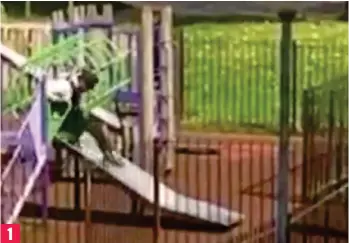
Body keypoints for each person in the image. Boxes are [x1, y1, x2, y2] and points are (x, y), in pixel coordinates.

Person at [46, 68, 124, 166]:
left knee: (98, 125)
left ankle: (109, 152)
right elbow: (43, 90)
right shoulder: (65, 86)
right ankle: (109, 153)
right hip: (59, 129)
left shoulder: (73, 89)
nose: (86, 91)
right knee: (96, 125)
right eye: (87, 87)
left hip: (65, 125)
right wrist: (55, 100)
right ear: (82, 82)